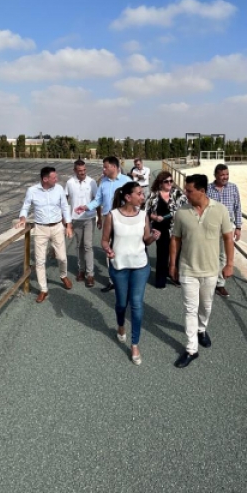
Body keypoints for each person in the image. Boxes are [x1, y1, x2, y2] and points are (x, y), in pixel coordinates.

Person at [169, 173, 234, 368]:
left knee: (206, 306)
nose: (186, 194)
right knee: (190, 309)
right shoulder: (182, 213)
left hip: (210, 270)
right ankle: (191, 349)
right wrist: (172, 265)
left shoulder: (220, 210)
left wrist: (229, 264)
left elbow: (228, 238)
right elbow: (175, 239)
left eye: (189, 191)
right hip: (187, 269)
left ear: (202, 191)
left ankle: (201, 329)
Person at [102, 181, 160, 365]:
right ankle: (120, 325)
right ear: (128, 197)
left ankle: (135, 344)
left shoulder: (143, 215)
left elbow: (146, 240)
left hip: (140, 266)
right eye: (139, 194)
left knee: (136, 304)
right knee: (121, 304)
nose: (143, 196)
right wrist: (108, 250)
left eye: (142, 194)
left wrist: (153, 237)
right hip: (119, 266)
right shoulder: (112, 215)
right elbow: (105, 240)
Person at [16, 166, 74, 303]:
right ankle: (43, 289)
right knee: (40, 261)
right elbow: (25, 206)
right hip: (41, 229)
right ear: (45, 179)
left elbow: (65, 207)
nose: (57, 179)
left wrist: (68, 225)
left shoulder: (59, 189)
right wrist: (23, 218)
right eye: (54, 177)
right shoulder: (32, 191)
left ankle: (63, 275)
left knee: (62, 257)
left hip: (57, 227)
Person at [75, 156, 130, 291]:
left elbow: (135, 200)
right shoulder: (103, 182)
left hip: (124, 219)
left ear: (114, 167)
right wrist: (86, 207)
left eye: (105, 167)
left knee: (124, 248)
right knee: (108, 248)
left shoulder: (127, 181)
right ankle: (112, 280)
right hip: (107, 219)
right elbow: (98, 200)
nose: (103, 170)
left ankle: (126, 279)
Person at [145, 170, 186, 288]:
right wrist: (154, 217)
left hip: (176, 228)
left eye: (171, 181)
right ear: (160, 183)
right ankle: (160, 280)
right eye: (166, 181)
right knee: (162, 254)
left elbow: (184, 209)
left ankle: (175, 276)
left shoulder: (178, 193)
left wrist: (166, 216)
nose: (169, 183)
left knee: (177, 254)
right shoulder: (153, 195)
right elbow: (146, 211)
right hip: (160, 229)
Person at [206, 163, 242, 297]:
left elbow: (238, 207)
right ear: (215, 175)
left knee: (223, 255)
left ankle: (220, 284)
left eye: (227, 174)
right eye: (222, 175)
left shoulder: (233, 188)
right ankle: (209, 280)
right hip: (211, 225)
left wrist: (238, 227)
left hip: (228, 226)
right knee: (210, 254)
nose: (225, 177)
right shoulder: (208, 189)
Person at [65, 159, 98, 288]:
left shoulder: (92, 182)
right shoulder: (69, 183)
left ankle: (90, 274)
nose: (83, 172)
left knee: (88, 245)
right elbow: (65, 200)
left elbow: (97, 199)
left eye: (84, 170)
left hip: (89, 218)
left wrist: (100, 217)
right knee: (79, 245)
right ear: (74, 170)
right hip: (76, 219)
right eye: (80, 171)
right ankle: (81, 270)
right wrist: (66, 219)